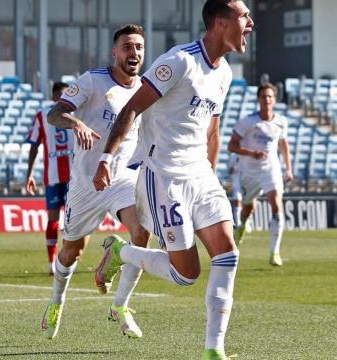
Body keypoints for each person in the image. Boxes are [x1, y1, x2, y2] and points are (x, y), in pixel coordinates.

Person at [93, 1, 253, 358]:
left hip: (201, 176)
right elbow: (132, 107)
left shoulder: (225, 72)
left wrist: (211, 171)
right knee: (186, 275)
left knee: (228, 254)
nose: (251, 23)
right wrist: (106, 158)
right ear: (220, 23)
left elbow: (212, 128)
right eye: (244, 16)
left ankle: (215, 350)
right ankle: (123, 251)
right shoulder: (179, 61)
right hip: (163, 177)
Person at [41, 24, 151, 340]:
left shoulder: (146, 89)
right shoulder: (93, 80)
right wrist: (75, 124)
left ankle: (121, 305)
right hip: (85, 185)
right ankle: (56, 301)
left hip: (121, 180)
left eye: (139, 48)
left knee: (142, 232)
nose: (134, 53)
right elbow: (55, 114)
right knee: (71, 252)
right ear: (114, 52)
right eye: (128, 47)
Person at [228, 82, 293, 266]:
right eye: (263, 96)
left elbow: (283, 145)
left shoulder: (281, 121)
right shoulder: (247, 122)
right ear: (258, 99)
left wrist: (288, 168)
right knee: (248, 208)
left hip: (271, 169)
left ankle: (275, 252)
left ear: (275, 99)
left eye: (270, 96)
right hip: (249, 172)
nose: (267, 100)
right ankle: (241, 227)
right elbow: (231, 145)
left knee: (276, 205)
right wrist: (251, 153)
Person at [25, 81, 73, 275]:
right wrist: (29, 174)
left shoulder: (76, 113)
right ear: (53, 97)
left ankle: (67, 258)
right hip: (53, 177)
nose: (64, 99)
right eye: (61, 95)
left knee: (72, 220)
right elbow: (34, 145)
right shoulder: (42, 115)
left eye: (67, 95)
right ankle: (51, 260)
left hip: (74, 177)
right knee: (53, 219)